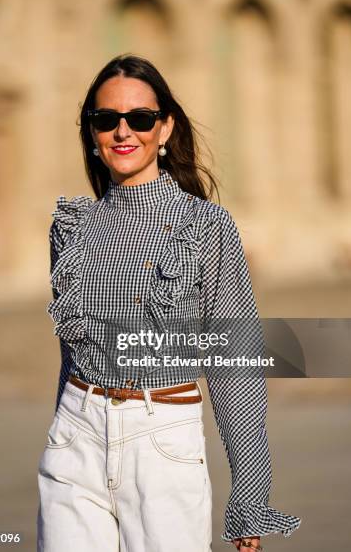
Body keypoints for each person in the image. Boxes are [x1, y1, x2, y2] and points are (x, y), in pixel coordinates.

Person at [36, 53, 301, 552]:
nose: (122, 131)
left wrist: (250, 497)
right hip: (75, 440)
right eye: (105, 119)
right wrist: (62, 430)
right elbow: (70, 355)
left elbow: (233, 369)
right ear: (91, 134)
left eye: (139, 118)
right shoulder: (70, 229)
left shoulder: (206, 228)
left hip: (163, 444)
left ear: (164, 128)